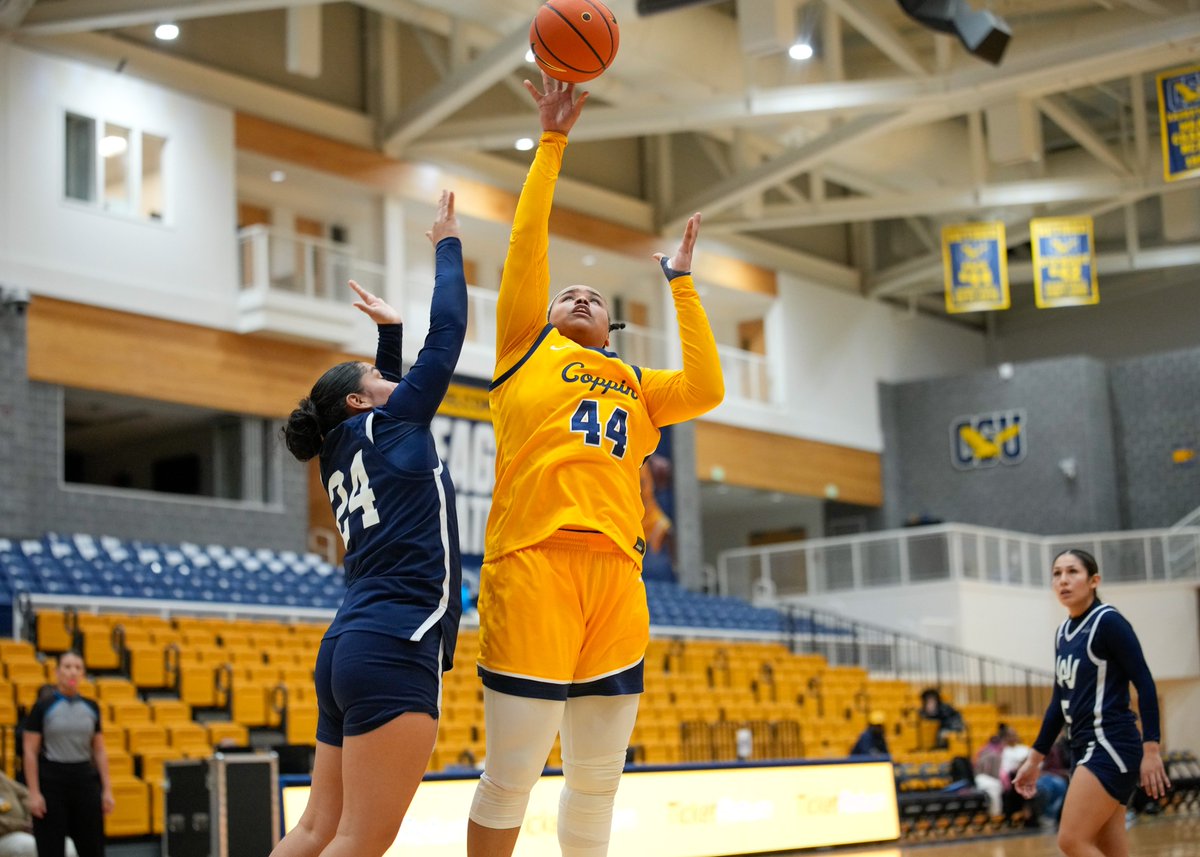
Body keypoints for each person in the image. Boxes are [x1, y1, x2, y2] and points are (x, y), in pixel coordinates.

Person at [467, 72, 724, 857]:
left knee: (596, 780)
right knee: (512, 772)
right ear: (541, 316)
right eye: (564, 293)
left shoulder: (641, 388)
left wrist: (680, 286)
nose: (576, 293)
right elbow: (528, 244)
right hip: (534, 562)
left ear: (610, 327)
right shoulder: (523, 351)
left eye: (593, 296)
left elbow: (707, 388)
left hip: (617, 577)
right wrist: (552, 141)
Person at [271, 190, 467, 857]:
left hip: (346, 646)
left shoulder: (342, 447)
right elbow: (447, 340)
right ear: (360, 400)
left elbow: (385, 382)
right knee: (356, 839)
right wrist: (447, 244)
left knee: (314, 829)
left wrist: (386, 336)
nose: (395, 377)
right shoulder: (394, 426)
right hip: (394, 643)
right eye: (378, 372)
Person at [1013, 548, 1170, 857]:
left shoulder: (1108, 622)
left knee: (1071, 840)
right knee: (1108, 849)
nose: (1063, 580)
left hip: (1110, 743)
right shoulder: (1062, 634)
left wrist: (1151, 749)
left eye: (1073, 572)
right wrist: (1034, 759)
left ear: (1094, 580)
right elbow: (1059, 702)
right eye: (1057, 574)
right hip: (1083, 746)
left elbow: (1145, 683)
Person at [22, 651, 112, 857]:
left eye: (78, 667)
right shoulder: (42, 707)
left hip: (85, 781)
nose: (73, 672)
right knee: (51, 848)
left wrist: (107, 790)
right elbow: (30, 751)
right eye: (68, 666)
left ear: (83, 674)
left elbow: (99, 750)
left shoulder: (92, 707)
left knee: (93, 848)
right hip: (52, 783)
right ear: (57, 672)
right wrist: (34, 794)